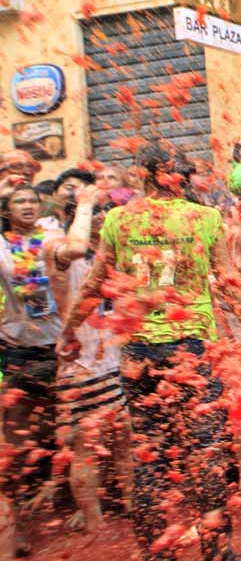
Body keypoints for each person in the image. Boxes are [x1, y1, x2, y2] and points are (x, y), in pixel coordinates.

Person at [56, 141, 241, 561]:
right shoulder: (204, 217)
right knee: (204, 451)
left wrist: (69, 331)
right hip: (192, 349)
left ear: (142, 175)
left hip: (139, 352)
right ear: (182, 177)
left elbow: (94, 285)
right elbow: (230, 279)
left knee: (149, 456)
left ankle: (155, 554)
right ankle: (219, 552)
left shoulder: (118, 219)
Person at [48, 184, 133, 532]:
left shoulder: (115, 253)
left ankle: (131, 511)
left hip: (116, 363)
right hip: (82, 367)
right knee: (86, 446)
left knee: (125, 439)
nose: (104, 216)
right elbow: (78, 245)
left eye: (107, 210)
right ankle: (95, 527)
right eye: (98, 211)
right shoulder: (58, 249)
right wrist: (84, 201)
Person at [0, 184, 65, 558]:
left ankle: (83, 504)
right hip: (19, 350)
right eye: (18, 201)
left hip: (59, 346)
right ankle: (20, 524)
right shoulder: (3, 246)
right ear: (7, 210)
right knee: (18, 445)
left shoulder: (52, 238)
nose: (26, 206)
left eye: (30, 201)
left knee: (69, 432)